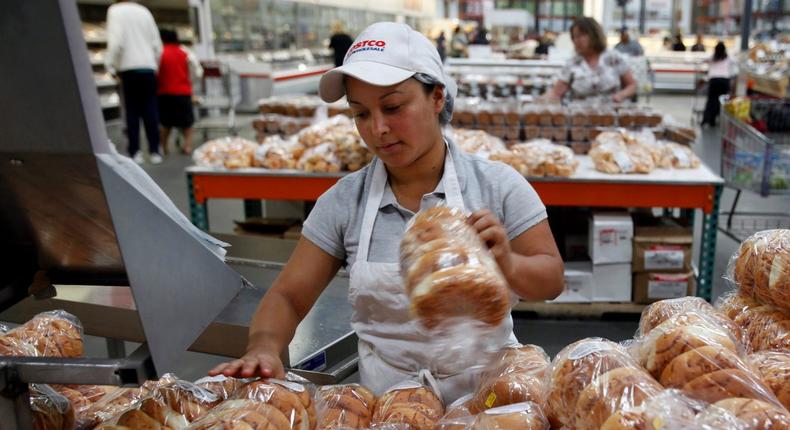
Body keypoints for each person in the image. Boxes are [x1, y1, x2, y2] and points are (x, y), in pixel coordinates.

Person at [208, 22, 564, 402]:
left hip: (492, 401)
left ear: (437, 97)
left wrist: (508, 263)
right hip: (387, 406)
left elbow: (551, 279)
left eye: (393, 107)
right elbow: (289, 296)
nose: (378, 129)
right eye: (361, 114)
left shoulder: (497, 185)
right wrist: (264, 345)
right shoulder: (345, 201)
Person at [105, 0, 163, 164]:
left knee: (132, 111)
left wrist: (109, 65)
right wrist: (154, 65)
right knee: (151, 110)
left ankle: (135, 151)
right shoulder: (144, 11)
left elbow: (116, 42)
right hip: (149, 67)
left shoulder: (115, 11)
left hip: (129, 68)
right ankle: (154, 150)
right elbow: (157, 46)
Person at [546, 17, 637, 102]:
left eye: (581, 35)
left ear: (594, 35)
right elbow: (556, 93)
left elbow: (632, 85)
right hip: (581, 115)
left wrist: (620, 95)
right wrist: (537, 101)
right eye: (574, 37)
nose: (577, 40)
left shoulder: (613, 57)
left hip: (611, 113)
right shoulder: (572, 64)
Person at [157, 29, 203, 155]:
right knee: (187, 122)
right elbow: (197, 72)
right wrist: (189, 81)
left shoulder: (159, 53)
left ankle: (164, 147)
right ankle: (187, 146)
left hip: (164, 92)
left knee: (166, 123)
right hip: (183, 91)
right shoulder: (185, 52)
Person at [701, 42, 734, 126]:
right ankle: (719, 118)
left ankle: (707, 119)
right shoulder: (728, 58)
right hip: (724, 81)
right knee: (722, 100)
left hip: (714, 80)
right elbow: (735, 64)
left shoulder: (713, 57)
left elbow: (703, 61)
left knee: (711, 100)